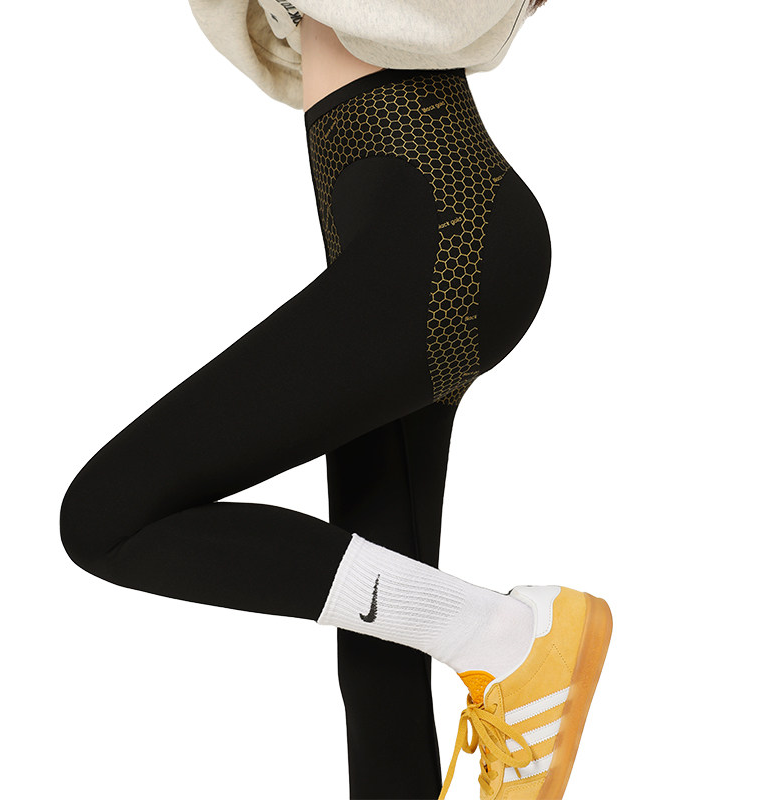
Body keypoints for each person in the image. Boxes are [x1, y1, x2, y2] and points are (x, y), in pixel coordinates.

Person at [60, 4, 612, 799]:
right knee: (377, 666)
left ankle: (507, 637)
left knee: (108, 517)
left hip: (447, 236)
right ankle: (489, 642)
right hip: (401, 239)